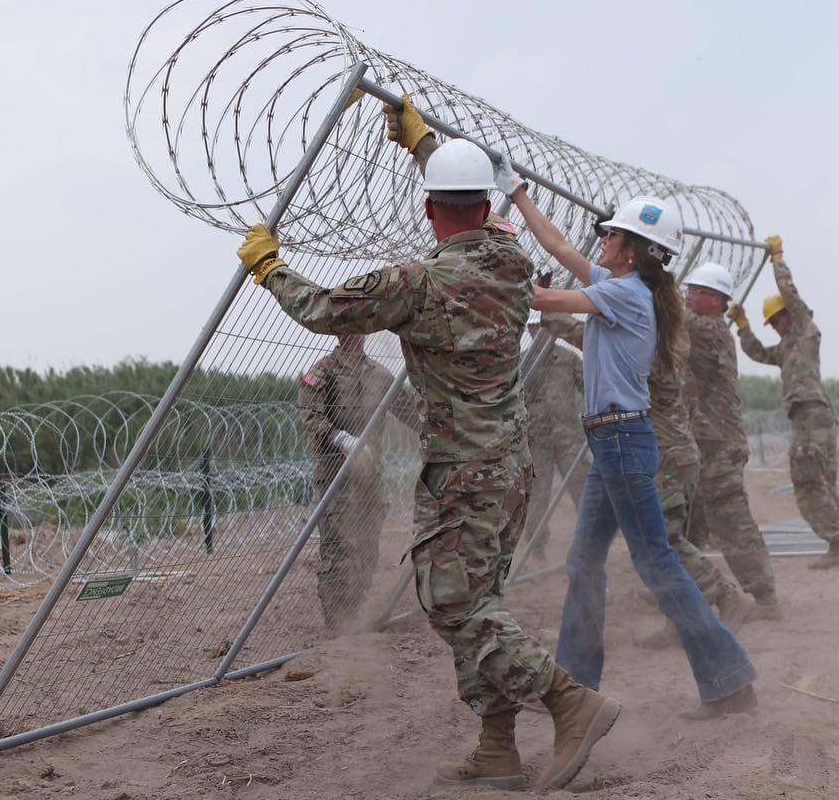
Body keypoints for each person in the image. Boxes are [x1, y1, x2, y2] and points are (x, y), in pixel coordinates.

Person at [235, 96, 618, 792]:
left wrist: (270, 268)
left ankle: (569, 701)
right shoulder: (508, 259)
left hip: (461, 473)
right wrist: (426, 144)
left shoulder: (418, 284)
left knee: (452, 604)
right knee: (484, 599)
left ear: (425, 209)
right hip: (510, 466)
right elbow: (474, 210)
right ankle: (497, 749)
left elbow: (320, 309)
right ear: (480, 204)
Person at [505, 165, 760, 721]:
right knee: (585, 562)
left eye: (611, 234)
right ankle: (576, 690)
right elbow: (559, 246)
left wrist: (491, 256)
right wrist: (516, 193)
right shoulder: (624, 283)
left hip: (621, 438)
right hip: (612, 440)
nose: (603, 239)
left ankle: (730, 681)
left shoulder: (625, 295)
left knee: (658, 564)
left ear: (633, 249)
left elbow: (543, 299)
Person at [538, 310, 756, 647]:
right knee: (655, 541)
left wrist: (554, 316)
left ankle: (726, 595)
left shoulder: (650, 348)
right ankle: (679, 621)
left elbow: (595, 342)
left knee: (662, 540)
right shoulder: (668, 338)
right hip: (664, 450)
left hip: (664, 454)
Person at [730, 236, 839, 569]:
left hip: (811, 414)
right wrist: (742, 326)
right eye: (770, 324)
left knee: (807, 480)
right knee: (821, 480)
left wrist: (777, 260)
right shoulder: (787, 347)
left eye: (775, 320)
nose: (774, 327)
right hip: (810, 416)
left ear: (789, 315)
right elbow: (758, 353)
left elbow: (791, 294)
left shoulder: (804, 330)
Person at [682, 262, 781, 618]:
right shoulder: (698, 326)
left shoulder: (706, 329)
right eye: (689, 290)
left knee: (731, 522)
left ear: (716, 300)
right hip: (700, 442)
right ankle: (687, 593)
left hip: (718, 445)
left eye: (697, 292)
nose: (689, 297)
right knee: (688, 525)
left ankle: (765, 598)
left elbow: (667, 316)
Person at [300, 334, 413, 634]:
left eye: (358, 328)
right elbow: (311, 416)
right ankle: (337, 623)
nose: (353, 334)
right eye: (346, 328)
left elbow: (410, 412)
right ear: (338, 333)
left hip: (369, 479)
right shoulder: (323, 372)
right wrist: (341, 439)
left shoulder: (380, 376)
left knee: (366, 549)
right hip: (336, 478)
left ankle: (355, 612)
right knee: (339, 550)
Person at [522, 320, 588, 560]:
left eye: (541, 326)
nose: (536, 332)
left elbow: (589, 386)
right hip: (536, 439)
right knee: (538, 493)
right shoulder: (521, 362)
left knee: (582, 486)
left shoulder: (568, 358)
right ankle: (537, 547)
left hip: (568, 435)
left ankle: (590, 541)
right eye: (531, 327)